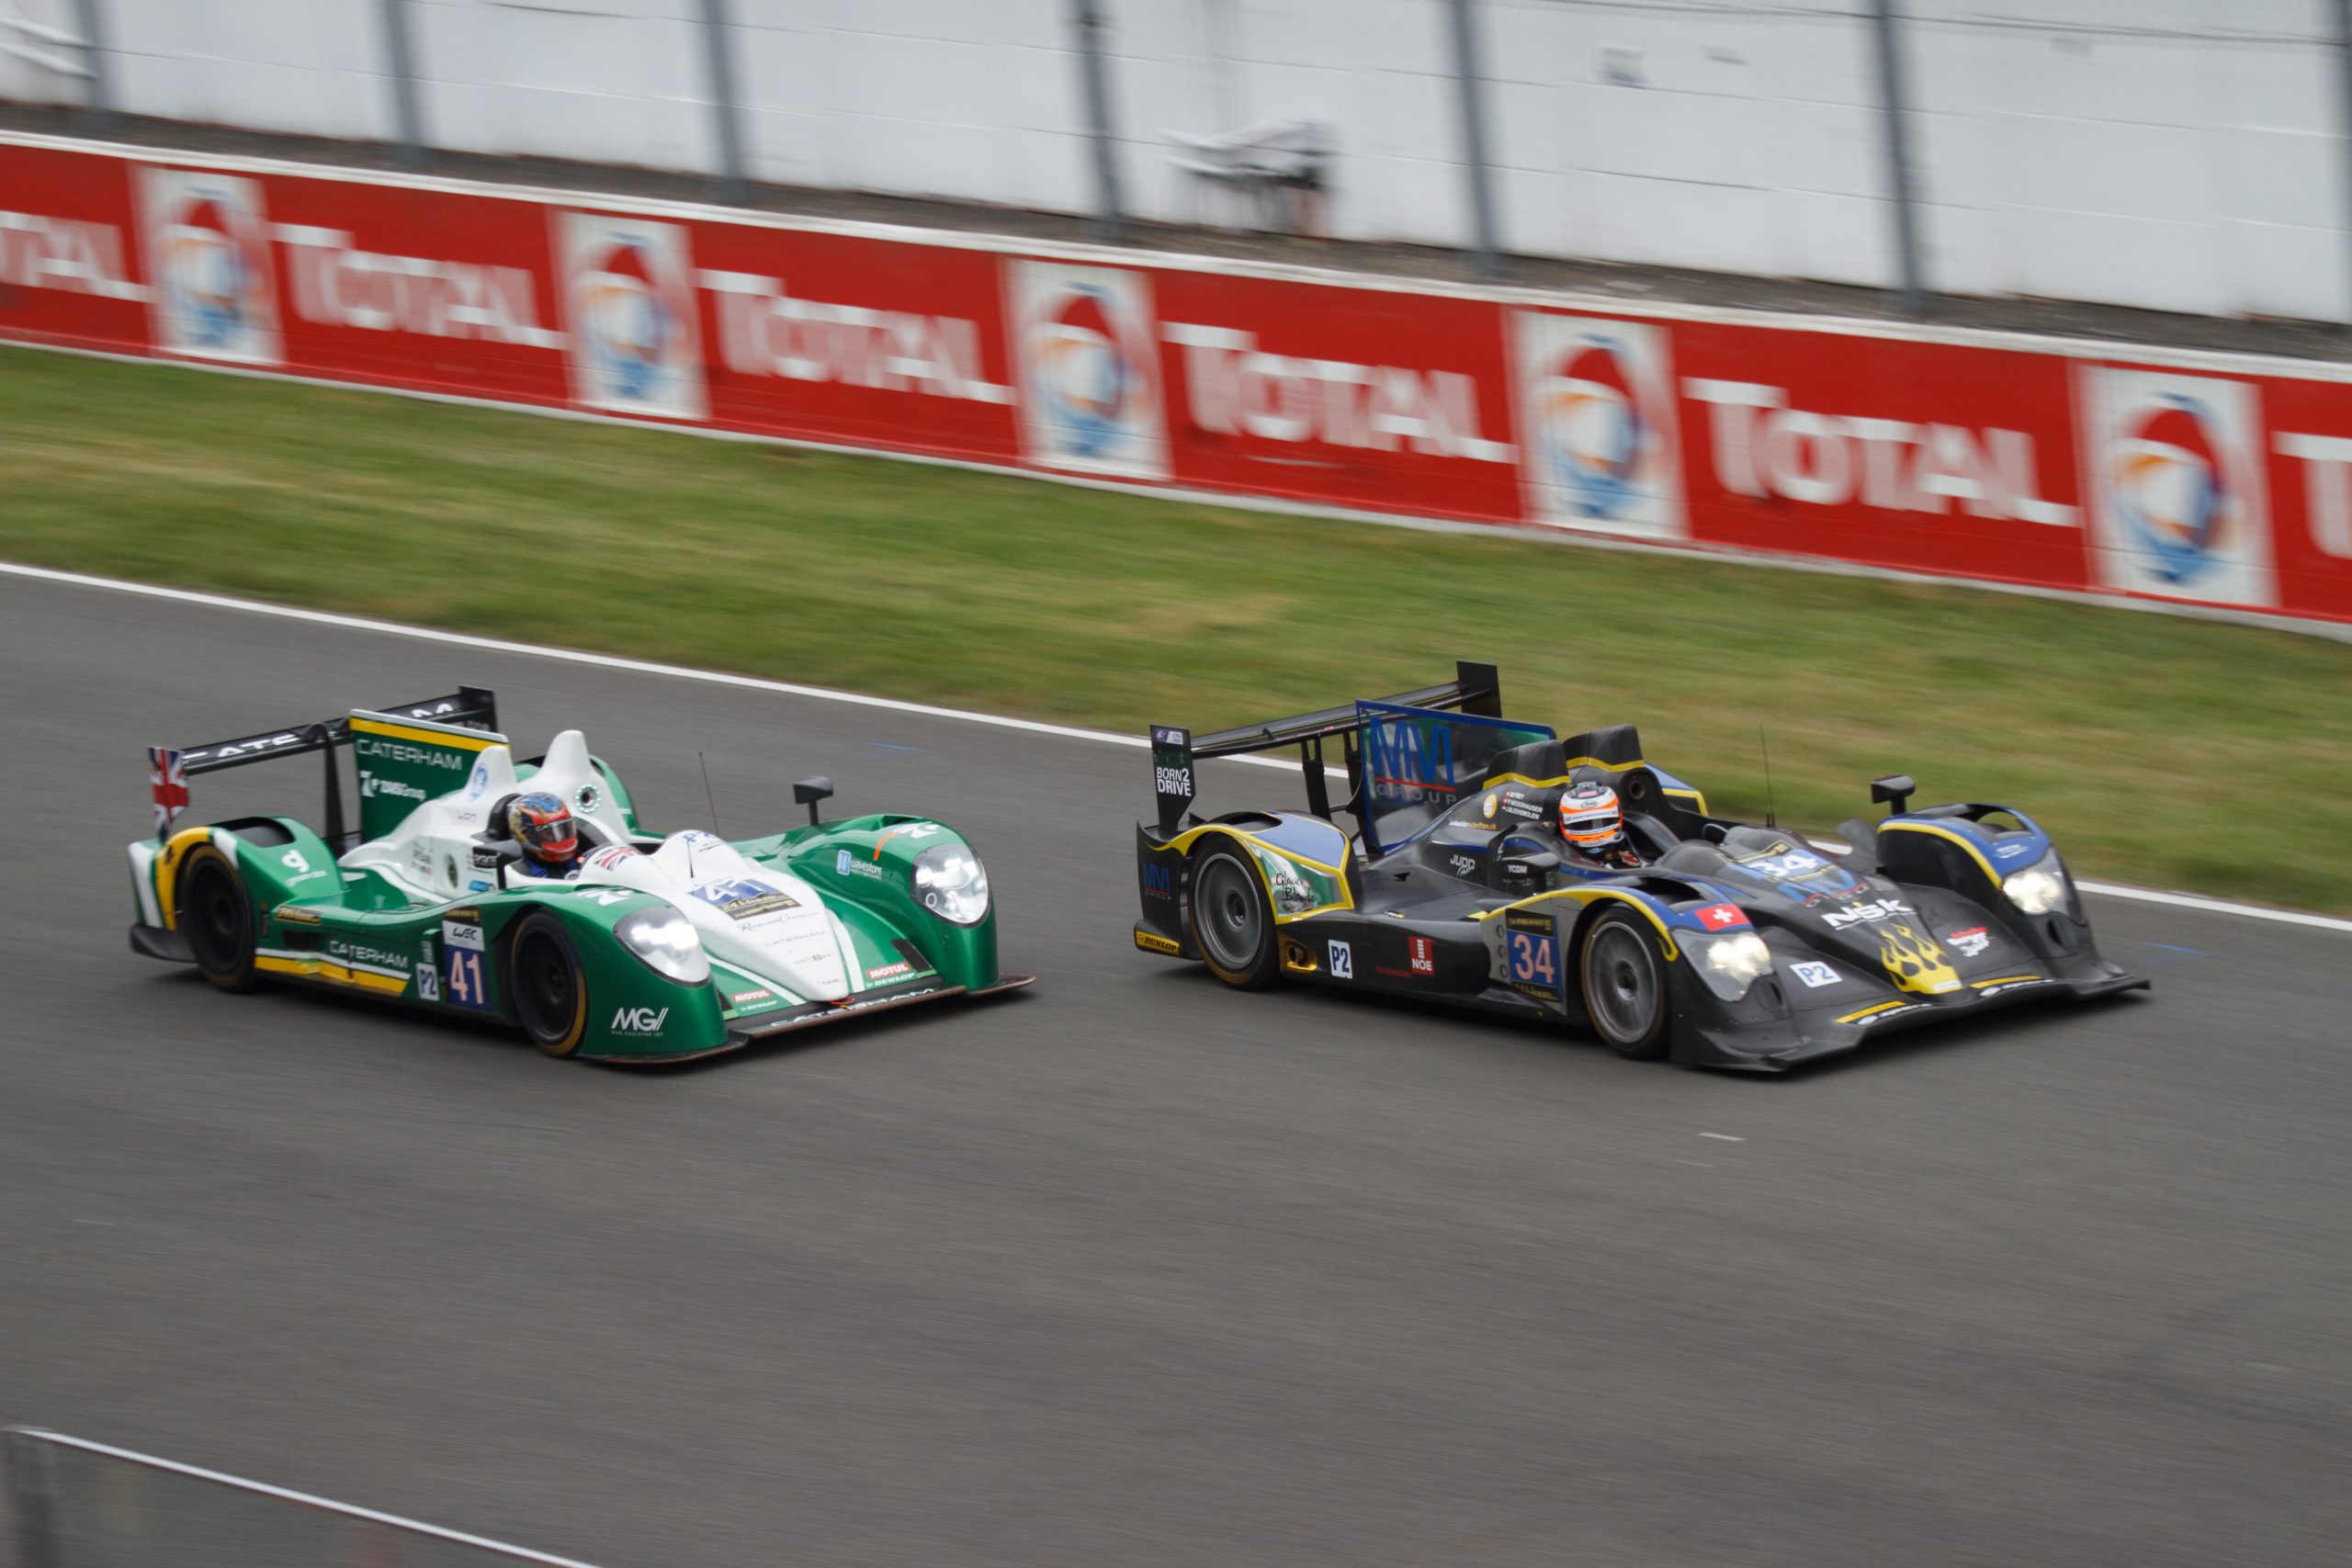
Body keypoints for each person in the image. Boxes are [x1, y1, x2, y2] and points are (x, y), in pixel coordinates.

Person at [1557, 781, 1645, 871]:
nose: (1593, 830)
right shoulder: (1558, 854)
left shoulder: (1631, 857)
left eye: (1604, 821)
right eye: (1581, 824)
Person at [503, 791, 583, 879]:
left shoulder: (579, 856)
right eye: (548, 833)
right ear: (524, 834)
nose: (560, 838)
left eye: (564, 829)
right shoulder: (521, 873)